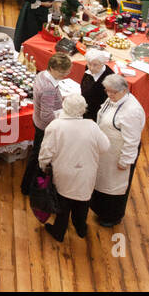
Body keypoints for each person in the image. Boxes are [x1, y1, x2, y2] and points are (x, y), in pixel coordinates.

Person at [37, 93, 110, 242]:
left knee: (63, 203)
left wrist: (43, 165)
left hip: (64, 172)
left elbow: (46, 152)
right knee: (82, 201)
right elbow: (105, 146)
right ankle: (80, 228)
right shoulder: (91, 125)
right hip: (86, 171)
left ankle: (59, 231)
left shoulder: (56, 126)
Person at [91, 74, 146, 227]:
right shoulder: (113, 99)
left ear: (124, 90)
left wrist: (125, 161)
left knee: (114, 185)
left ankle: (112, 216)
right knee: (103, 179)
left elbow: (132, 141)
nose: (109, 95)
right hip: (107, 151)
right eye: (107, 91)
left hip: (119, 154)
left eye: (113, 92)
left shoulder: (132, 111)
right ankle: (98, 208)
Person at [20, 52, 76, 195]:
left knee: (37, 154)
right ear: (52, 68)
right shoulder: (48, 88)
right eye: (62, 72)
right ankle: (30, 186)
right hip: (44, 126)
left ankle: (29, 185)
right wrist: (60, 126)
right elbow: (46, 116)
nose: (65, 75)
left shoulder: (42, 75)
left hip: (37, 120)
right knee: (39, 156)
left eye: (67, 71)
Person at [80, 48, 114, 122]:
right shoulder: (88, 68)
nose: (91, 68)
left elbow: (108, 102)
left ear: (103, 63)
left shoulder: (109, 78)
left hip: (96, 115)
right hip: (84, 107)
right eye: (89, 64)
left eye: (95, 65)